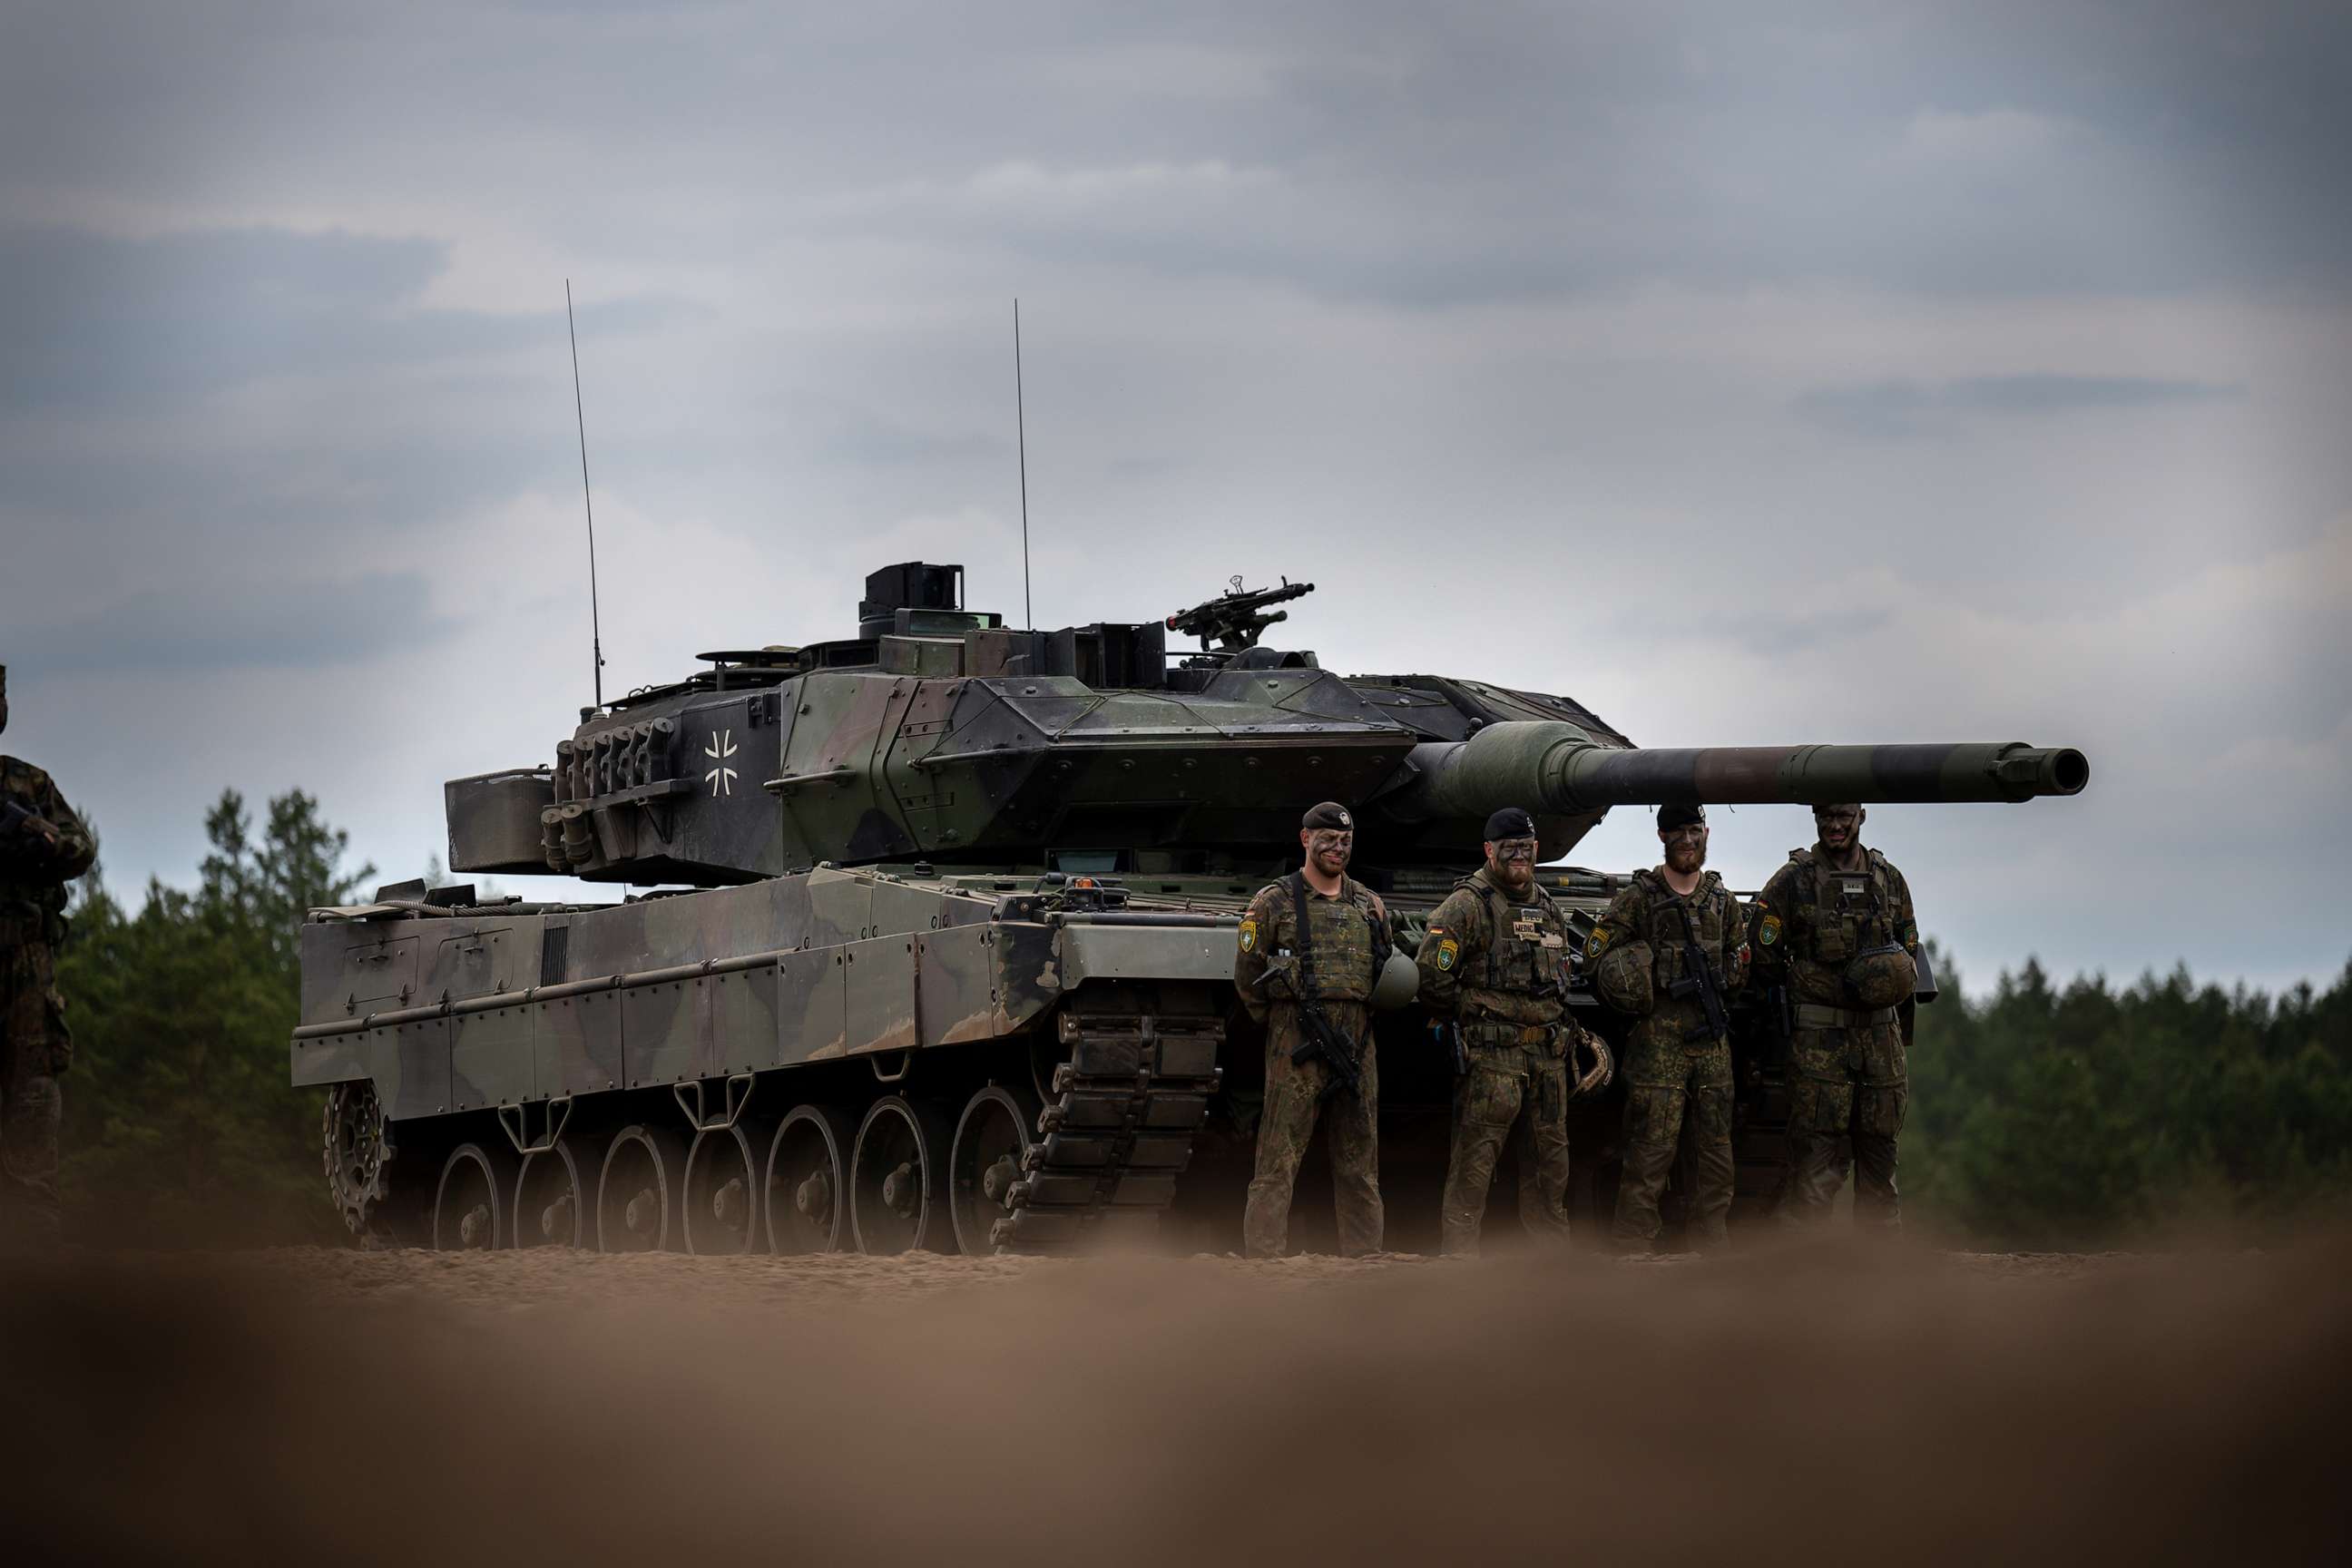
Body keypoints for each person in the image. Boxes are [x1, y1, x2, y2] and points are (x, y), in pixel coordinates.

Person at [1416, 806, 1612, 1256]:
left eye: (1526, 847)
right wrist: (1476, 1016)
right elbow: (1432, 979)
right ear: (1490, 850)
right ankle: (1460, 1264)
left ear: (1536, 849)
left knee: (1550, 1169)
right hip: (1492, 1061)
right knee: (1474, 1167)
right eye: (1510, 848)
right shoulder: (1467, 905)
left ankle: (1546, 1270)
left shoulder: (1548, 908)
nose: (1519, 855)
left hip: (1548, 1062)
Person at [1232, 801, 1392, 1258]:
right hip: (1296, 1038)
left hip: (1357, 1042)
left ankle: (1364, 1258)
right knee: (1277, 1160)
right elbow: (1248, 975)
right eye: (1327, 839)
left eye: (1345, 841)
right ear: (1305, 839)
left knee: (1360, 1162)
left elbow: (1384, 964)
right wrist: (1280, 1024)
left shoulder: (1369, 904)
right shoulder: (1274, 903)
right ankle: (1264, 1257)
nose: (1337, 848)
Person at [1589, 802, 1749, 1251]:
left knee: (1715, 1153)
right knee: (1650, 1150)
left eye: (1694, 830)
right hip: (1658, 1041)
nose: (1687, 840)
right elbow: (1597, 956)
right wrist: (1640, 975)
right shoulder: (1640, 898)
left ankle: (1710, 1248)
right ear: (1662, 837)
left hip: (1712, 1041)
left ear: (1706, 832)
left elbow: (1740, 965)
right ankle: (1634, 1247)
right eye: (1677, 832)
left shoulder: (1722, 902)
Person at [1751, 802, 1920, 1227]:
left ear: (1861, 815)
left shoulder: (1889, 880)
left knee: (1880, 1155)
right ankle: (1808, 1270)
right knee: (1814, 1162)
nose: (1835, 825)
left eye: (1844, 815)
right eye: (1826, 816)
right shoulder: (1793, 881)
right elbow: (1764, 955)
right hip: (1819, 1045)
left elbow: (1908, 946)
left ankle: (1879, 1266)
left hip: (1880, 1042)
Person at [1, 664, 96, 1240]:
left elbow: (79, 848)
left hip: (25, 971)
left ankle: (34, 1234)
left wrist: (39, 842)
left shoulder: (27, 785)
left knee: (32, 1092)